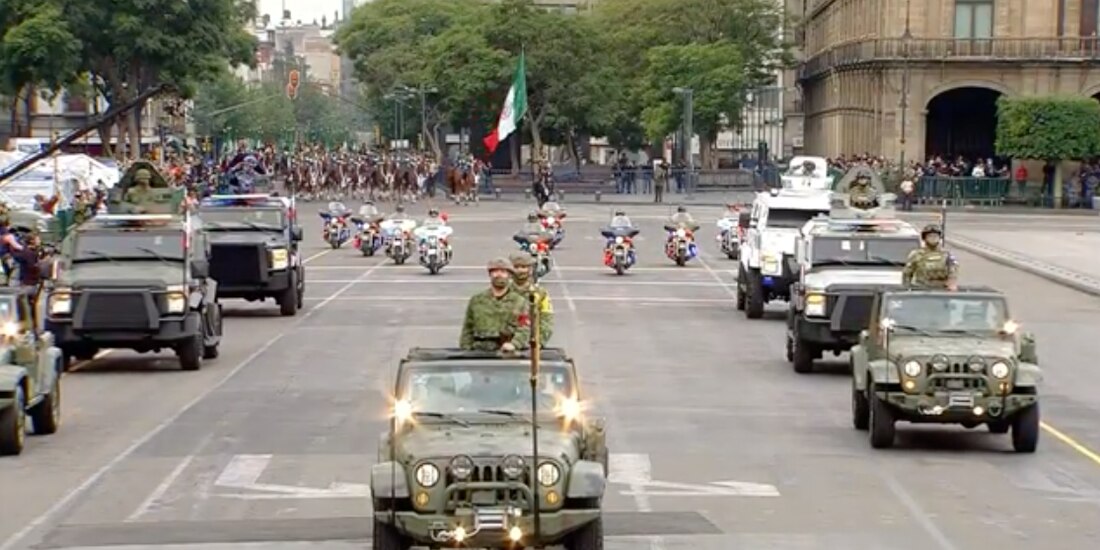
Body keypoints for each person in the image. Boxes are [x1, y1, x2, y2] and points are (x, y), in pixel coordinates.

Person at [459, 258, 532, 351]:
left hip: (508, 352)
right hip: (480, 350)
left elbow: (524, 328)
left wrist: (515, 344)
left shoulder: (520, 302)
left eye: (503, 272)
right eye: (495, 271)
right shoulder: (477, 301)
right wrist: (466, 350)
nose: (499, 275)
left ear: (509, 275)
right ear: (490, 274)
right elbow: (467, 329)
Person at [509, 253, 553, 343]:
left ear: (530, 269)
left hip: (530, 343)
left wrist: (538, 343)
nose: (520, 270)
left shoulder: (540, 294)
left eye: (523, 267)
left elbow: (546, 322)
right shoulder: (502, 291)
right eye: (516, 267)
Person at [902, 224, 958, 290]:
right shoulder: (916, 254)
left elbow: (953, 271)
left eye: (935, 236)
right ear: (925, 238)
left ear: (939, 238)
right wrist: (906, 288)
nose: (933, 238)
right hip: (921, 289)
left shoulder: (946, 254)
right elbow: (907, 274)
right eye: (930, 236)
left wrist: (951, 283)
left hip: (941, 289)